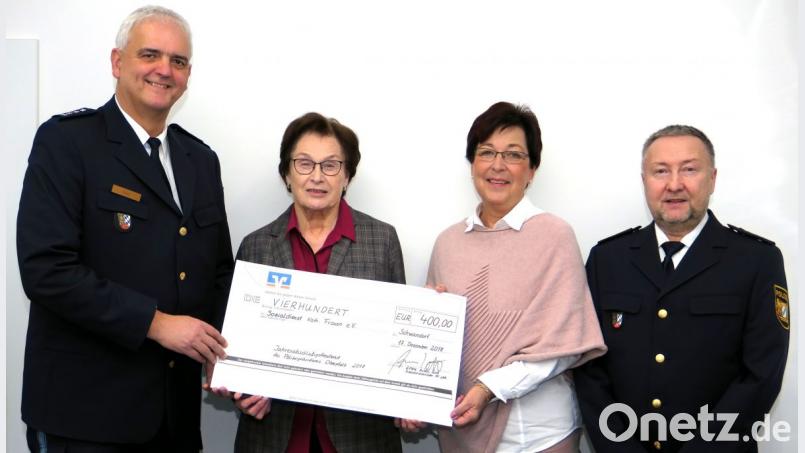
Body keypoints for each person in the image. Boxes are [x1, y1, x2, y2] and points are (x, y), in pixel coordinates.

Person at [16, 6, 234, 452]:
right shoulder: (67, 143)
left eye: (178, 61)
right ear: (118, 62)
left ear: (188, 75)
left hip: (173, 422)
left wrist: (230, 357)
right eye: (149, 54)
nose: (164, 70)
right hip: (84, 418)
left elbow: (218, 275)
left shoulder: (200, 161)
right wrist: (155, 324)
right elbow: (47, 270)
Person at [575, 125, 790, 452]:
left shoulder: (756, 260)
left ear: (712, 178)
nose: (674, 184)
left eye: (689, 169)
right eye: (660, 171)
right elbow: (589, 370)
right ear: (644, 180)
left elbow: (761, 375)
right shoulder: (607, 260)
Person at [426, 101, 607, 453]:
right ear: (472, 164)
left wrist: (488, 387)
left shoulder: (554, 236)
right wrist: (414, 395)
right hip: (460, 431)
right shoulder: (447, 243)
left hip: (539, 437)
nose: (497, 165)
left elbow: (565, 347)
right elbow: (431, 341)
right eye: (486, 152)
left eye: (513, 155)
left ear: (532, 169)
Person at [221, 112, 406, 452]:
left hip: (360, 437)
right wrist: (243, 391)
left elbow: (398, 344)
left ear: (347, 175)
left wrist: (413, 395)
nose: (317, 176)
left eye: (331, 165)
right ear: (287, 174)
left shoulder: (382, 241)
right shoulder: (256, 246)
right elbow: (238, 347)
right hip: (275, 437)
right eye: (304, 164)